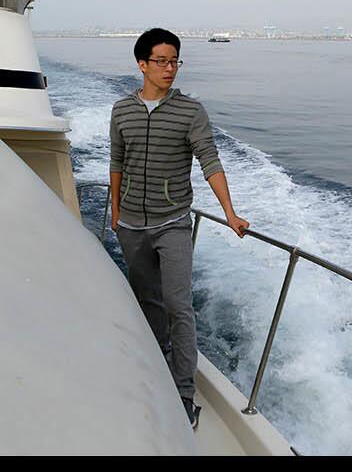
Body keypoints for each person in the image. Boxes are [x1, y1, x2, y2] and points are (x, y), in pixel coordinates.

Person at [108, 28, 249, 431]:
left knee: (178, 306)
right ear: (142, 65)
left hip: (172, 223)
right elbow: (116, 162)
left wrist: (230, 212)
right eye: (162, 61)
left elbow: (210, 161)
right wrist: (116, 213)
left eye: (175, 61)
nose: (170, 69)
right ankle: (153, 372)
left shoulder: (191, 112)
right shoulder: (121, 110)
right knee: (147, 301)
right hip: (131, 225)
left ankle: (183, 394)